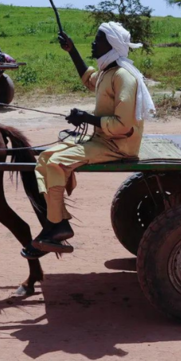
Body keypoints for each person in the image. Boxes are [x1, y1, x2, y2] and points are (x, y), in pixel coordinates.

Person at [30, 22, 156, 253]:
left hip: (119, 145)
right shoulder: (108, 72)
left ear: (111, 45)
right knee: (44, 159)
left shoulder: (123, 77)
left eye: (98, 39)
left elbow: (123, 126)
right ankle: (59, 223)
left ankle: (55, 225)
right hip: (103, 140)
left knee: (57, 163)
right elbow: (90, 80)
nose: (93, 42)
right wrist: (72, 50)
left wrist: (86, 118)